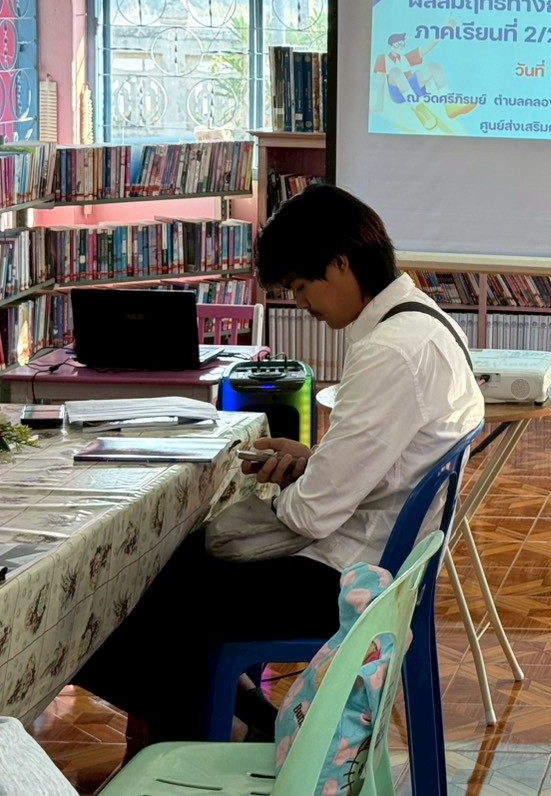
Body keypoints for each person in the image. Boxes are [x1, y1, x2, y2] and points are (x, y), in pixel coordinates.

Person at [73, 184, 484, 743]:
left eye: (300, 286)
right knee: (163, 583)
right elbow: (390, 462)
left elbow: (312, 515)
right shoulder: (427, 323)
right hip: (376, 559)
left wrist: (291, 490)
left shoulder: (390, 350)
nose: (301, 304)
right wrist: (316, 462)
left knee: (118, 608)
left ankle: (216, 740)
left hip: (347, 579)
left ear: (339, 263)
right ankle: (248, 723)